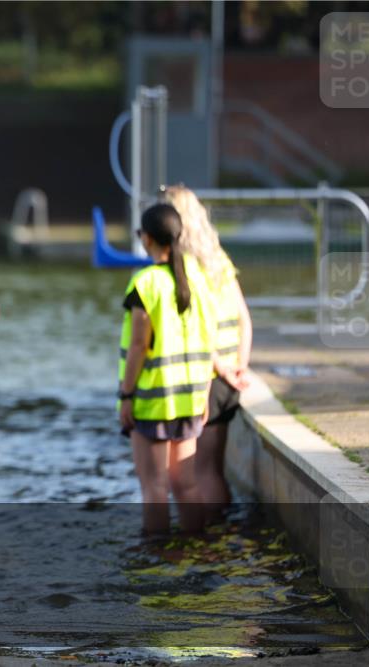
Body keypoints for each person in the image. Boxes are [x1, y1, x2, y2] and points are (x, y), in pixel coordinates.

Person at [117, 203, 217, 535]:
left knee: (155, 489)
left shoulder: (145, 284)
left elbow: (138, 346)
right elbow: (209, 339)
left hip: (153, 400)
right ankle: (196, 547)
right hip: (190, 398)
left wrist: (126, 395)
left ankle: (155, 559)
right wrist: (204, 395)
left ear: (146, 239)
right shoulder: (199, 278)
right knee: (186, 484)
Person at [164, 186, 252, 511]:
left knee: (201, 471)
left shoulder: (184, 266)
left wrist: (220, 367)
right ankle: (223, 535)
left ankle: (209, 539)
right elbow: (244, 317)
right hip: (230, 377)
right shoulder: (219, 260)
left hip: (209, 378)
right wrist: (239, 365)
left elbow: (197, 331)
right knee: (215, 468)